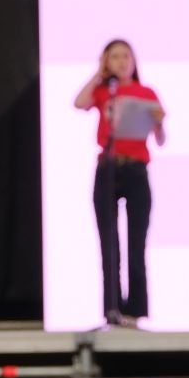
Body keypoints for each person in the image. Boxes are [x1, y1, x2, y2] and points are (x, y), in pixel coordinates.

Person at [73, 40, 166, 329]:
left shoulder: (146, 93)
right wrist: (98, 74)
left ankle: (135, 312)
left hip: (137, 169)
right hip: (108, 168)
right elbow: (79, 103)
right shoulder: (103, 91)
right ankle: (111, 310)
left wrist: (159, 123)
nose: (122, 61)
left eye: (126, 56)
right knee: (109, 244)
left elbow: (161, 139)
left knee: (136, 243)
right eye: (114, 57)